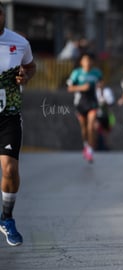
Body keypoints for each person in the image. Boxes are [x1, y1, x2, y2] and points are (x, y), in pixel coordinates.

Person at [0, 1, 36, 246]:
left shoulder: (19, 42)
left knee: (10, 169)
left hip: (8, 115)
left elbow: (31, 67)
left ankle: (7, 218)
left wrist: (26, 75)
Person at [67, 52, 102, 163]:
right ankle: (86, 144)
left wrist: (100, 86)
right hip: (80, 103)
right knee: (84, 128)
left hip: (92, 102)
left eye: (89, 60)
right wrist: (82, 87)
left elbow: (102, 83)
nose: (87, 63)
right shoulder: (76, 73)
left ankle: (90, 150)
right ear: (81, 62)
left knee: (91, 126)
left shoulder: (96, 72)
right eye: (85, 60)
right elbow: (70, 88)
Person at [95, 80, 115, 150]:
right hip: (97, 114)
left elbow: (111, 101)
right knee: (96, 128)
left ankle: (106, 145)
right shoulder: (95, 92)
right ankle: (96, 145)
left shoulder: (107, 91)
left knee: (106, 131)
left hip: (106, 113)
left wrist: (105, 101)